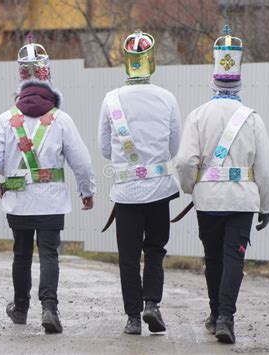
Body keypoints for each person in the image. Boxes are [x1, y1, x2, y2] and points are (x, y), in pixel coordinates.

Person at [0, 35, 96, 334]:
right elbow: (81, 161)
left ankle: (20, 308)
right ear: (48, 78)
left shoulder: (8, 118)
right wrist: (87, 190)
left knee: (21, 254)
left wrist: (10, 174)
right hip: (52, 201)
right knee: (49, 254)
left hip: (19, 201)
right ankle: (49, 308)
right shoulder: (60, 119)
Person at [175, 26, 269, 344]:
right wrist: (267, 205)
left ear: (213, 78)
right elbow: (266, 169)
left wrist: (192, 187)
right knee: (234, 257)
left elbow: (183, 162)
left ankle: (214, 313)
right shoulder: (253, 118)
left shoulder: (197, 116)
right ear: (239, 80)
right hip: (243, 201)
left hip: (208, 202)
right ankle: (225, 318)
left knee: (214, 258)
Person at [97, 30, 181, 335]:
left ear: (126, 63)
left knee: (128, 256)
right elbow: (175, 148)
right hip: (159, 190)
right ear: (151, 61)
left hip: (126, 192)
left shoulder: (110, 100)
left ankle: (132, 317)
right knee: (156, 249)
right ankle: (151, 304)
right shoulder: (167, 98)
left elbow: (105, 149)